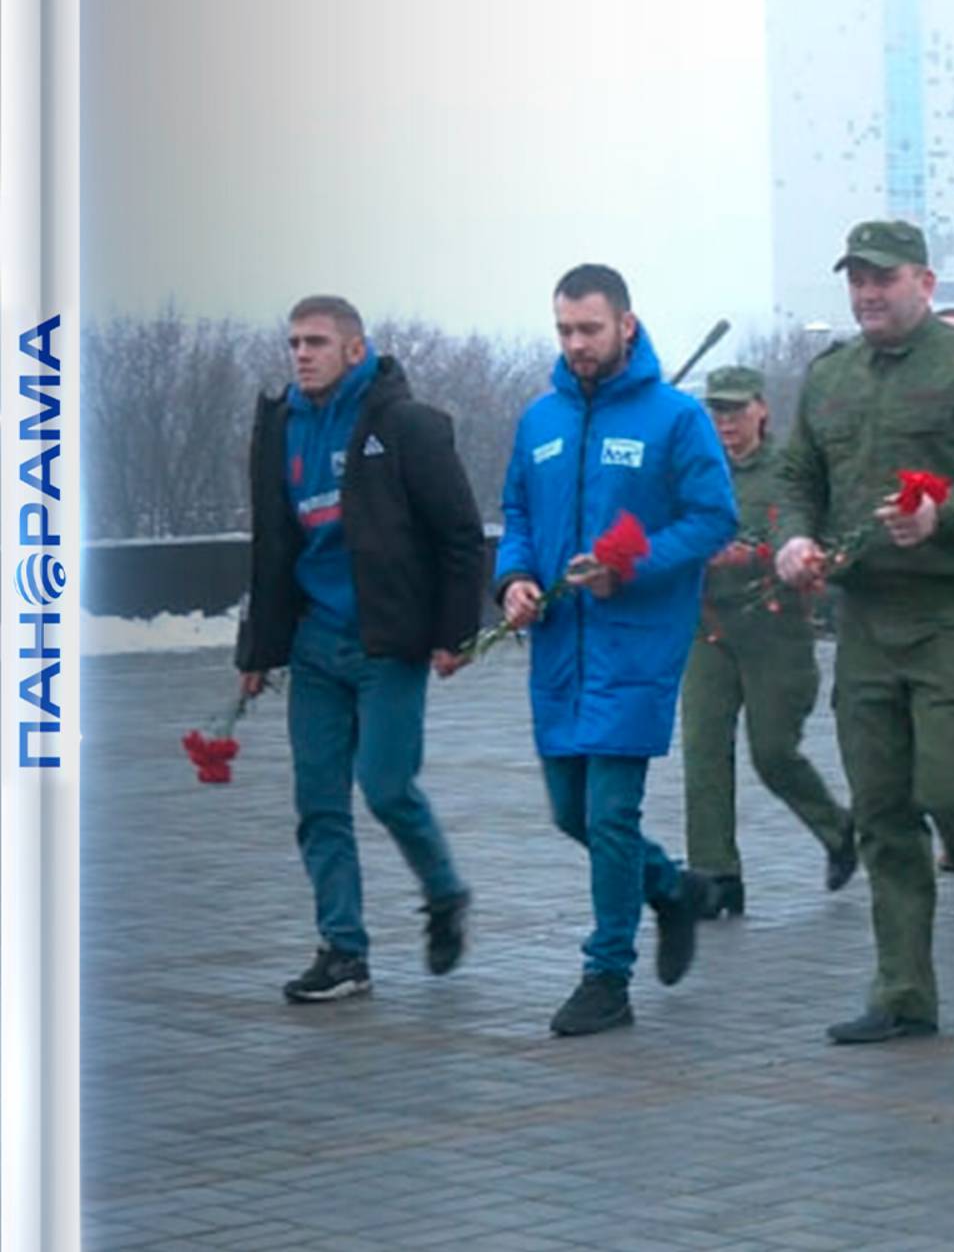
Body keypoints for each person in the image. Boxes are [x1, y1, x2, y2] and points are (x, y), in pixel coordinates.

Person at [772, 220, 954, 1044]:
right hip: (865, 617)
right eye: (856, 278)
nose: (867, 293)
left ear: (924, 285)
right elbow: (797, 474)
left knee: (952, 790)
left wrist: (950, 511)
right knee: (882, 811)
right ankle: (903, 992)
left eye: (883, 278)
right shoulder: (830, 378)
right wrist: (794, 536)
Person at [491, 264, 737, 1036]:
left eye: (589, 329)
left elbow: (711, 519)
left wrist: (629, 565)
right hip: (561, 645)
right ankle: (670, 888)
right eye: (564, 329)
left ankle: (607, 976)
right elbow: (518, 512)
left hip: (634, 643)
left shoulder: (675, 419)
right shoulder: (539, 421)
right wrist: (515, 578)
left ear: (626, 325)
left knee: (609, 812)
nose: (576, 344)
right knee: (572, 812)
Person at [234, 294, 483, 1004]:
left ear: (353, 348)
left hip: (387, 643)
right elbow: (273, 546)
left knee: (385, 786)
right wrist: (259, 651)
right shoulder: (281, 426)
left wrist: (453, 634)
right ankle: (344, 951)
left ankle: (444, 893)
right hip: (315, 644)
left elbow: (461, 534)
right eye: (293, 343)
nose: (301, 355)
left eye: (316, 342)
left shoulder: (405, 425)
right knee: (318, 803)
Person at [681, 366, 856, 921]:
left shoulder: (789, 471)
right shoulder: (693, 468)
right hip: (708, 630)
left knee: (773, 752)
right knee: (703, 751)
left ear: (761, 409)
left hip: (777, 634)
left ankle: (837, 829)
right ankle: (714, 875)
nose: (726, 422)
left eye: (736, 410)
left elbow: (816, 538)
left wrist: (762, 557)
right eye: (717, 411)